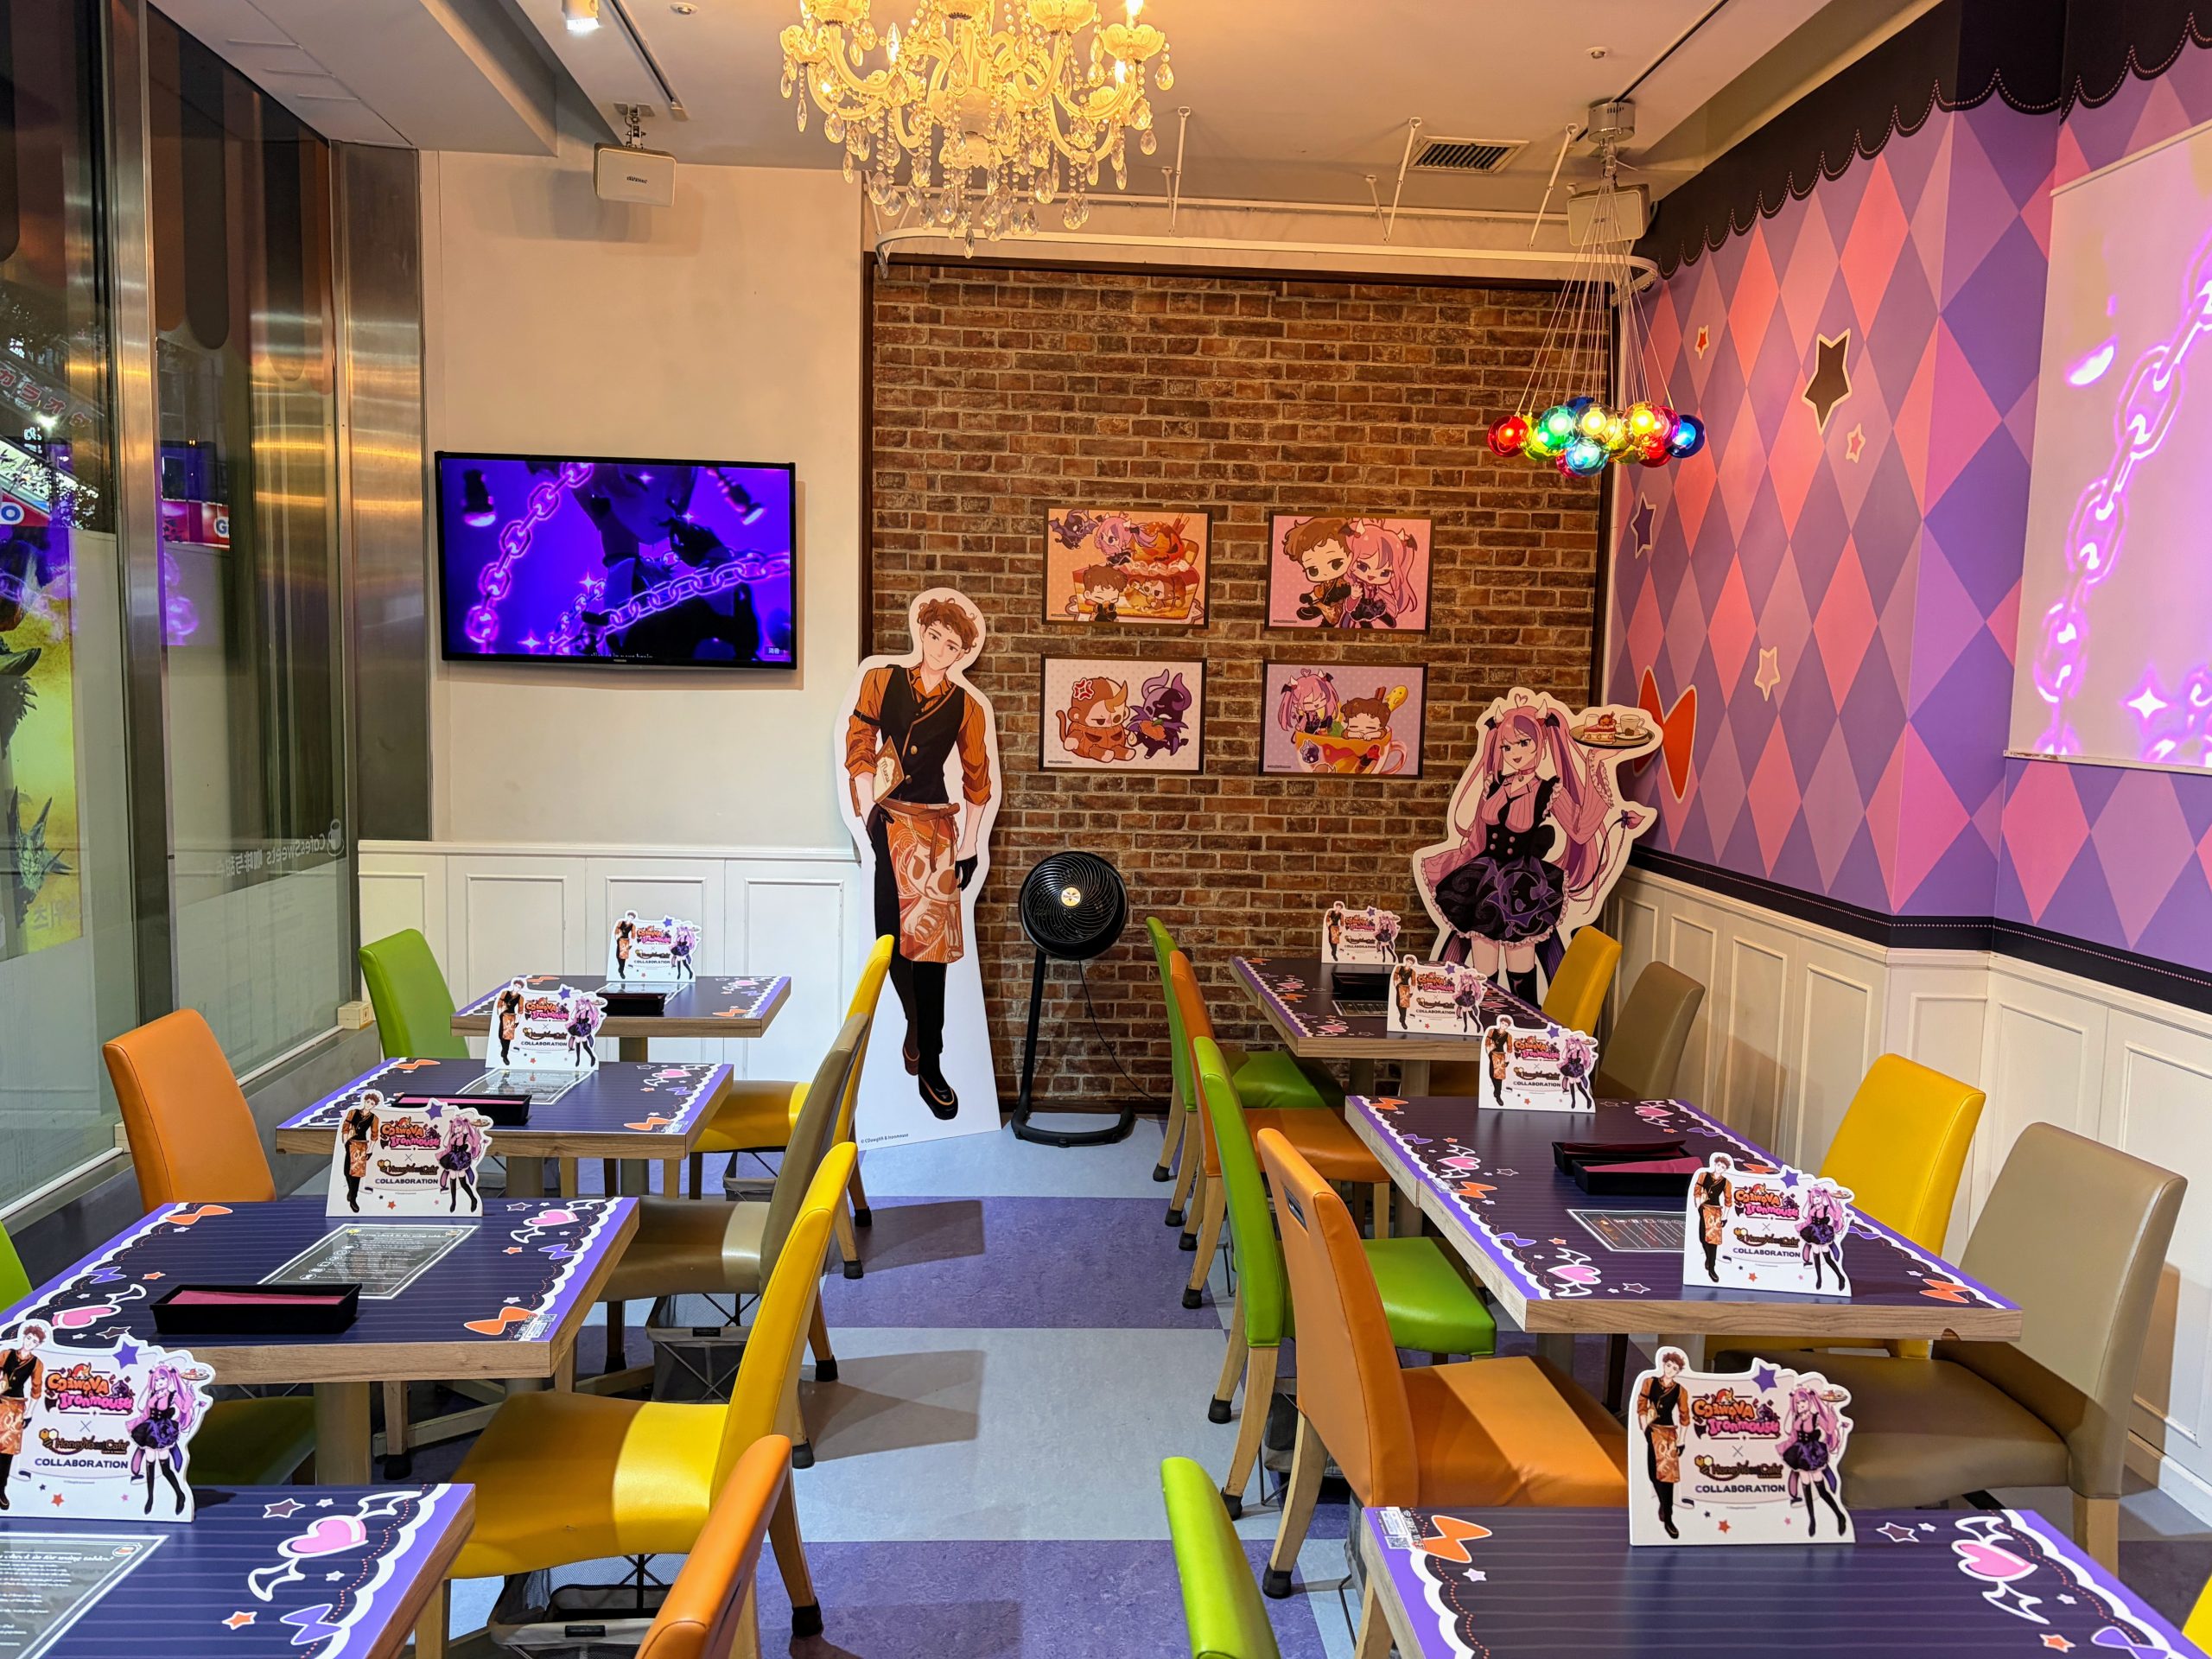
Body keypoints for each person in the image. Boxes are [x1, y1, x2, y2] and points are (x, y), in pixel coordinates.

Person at [845, 594, 995, 1120]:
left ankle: (931, 1061)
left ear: (962, 653)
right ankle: (916, 1023)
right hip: (888, 821)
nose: (939, 649)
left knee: (931, 954)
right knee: (891, 941)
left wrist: (970, 844)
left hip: (935, 831)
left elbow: (978, 780)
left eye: (951, 645)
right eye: (934, 637)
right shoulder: (881, 679)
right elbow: (859, 737)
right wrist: (867, 805)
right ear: (921, 632)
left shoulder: (967, 707)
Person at [1420, 700, 1640, 1005]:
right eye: (1507, 746)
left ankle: (1524, 1025)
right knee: (1483, 974)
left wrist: (1595, 764)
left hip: (1523, 887)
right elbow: (1479, 836)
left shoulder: (1548, 790)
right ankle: (1484, 1023)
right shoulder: (1495, 784)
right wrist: (1456, 863)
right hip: (1483, 881)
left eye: (1524, 743)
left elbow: (1581, 829)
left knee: (1520, 974)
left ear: (1540, 744)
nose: (1515, 753)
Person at [127, 1361, 201, 1516]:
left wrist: (190, 1389)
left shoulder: (173, 1395)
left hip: (162, 1431)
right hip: (149, 1429)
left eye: (163, 1379)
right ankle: (150, 1498)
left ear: (169, 1380)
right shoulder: (152, 1394)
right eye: (157, 1380)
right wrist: (135, 1424)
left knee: (165, 1467)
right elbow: (146, 1412)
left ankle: (180, 1494)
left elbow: (184, 1407)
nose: (159, 1382)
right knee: (149, 1465)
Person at [1783, 1382, 1851, 1537]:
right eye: (1798, 1402)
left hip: (1812, 1453)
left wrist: (1830, 1409)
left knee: (1821, 1488)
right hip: (1800, 1453)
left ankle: (1839, 1515)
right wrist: (1793, 1411)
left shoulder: (1815, 1417)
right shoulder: (1795, 1417)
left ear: (1809, 1401)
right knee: (1806, 1487)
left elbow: (1829, 1428)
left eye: (1803, 1401)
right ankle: (1812, 1520)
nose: (1801, 1405)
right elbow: (1788, 1430)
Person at [1636, 1347, 1689, 1538]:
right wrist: (1645, 1427)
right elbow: (1641, 1405)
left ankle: (1668, 1516)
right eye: (1669, 1365)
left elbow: (1684, 1416)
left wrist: (1681, 1441)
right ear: (1664, 1365)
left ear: (1678, 1371)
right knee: (1653, 1473)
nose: (1670, 1370)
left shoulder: (1680, 1390)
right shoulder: (1649, 1382)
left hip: (1668, 1433)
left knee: (1667, 1477)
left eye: (1675, 1368)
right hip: (1652, 1430)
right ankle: (1663, 1505)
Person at [0, 1323, 46, 1508]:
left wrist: (29, 1413)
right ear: (23, 1337)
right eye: (29, 1338)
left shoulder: (36, 1363)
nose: (30, 1343)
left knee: (7, 1451)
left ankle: (0, 1489)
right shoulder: (6, 1354)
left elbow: (36, 1390)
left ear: (38, 1345)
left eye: (34, 1341)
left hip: (15, 1408)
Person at [1692, 1155, 1735, 1283]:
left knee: (1713, 1241)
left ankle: (1712, 1268)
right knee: (1702, 1237)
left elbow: (1728, 1201)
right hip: (1704, 1208)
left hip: (1715, 1211)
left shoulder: (1726, 1182)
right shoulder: (1704, 1175)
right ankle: (1708, 1257)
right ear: (1715, 1164)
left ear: (1725, 1169)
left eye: (1723, 1167)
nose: (1720, 1168)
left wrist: (1725, 1217)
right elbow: (1697, 1190)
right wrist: (1698, 1205)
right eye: (1719, 1165)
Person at [340, 1096, 381, 1214]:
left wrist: (370, 1150)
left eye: (372, 1103)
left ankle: (353, 1199)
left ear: (374, 1106)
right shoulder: (353, 1112)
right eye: (368, 1102)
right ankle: (351, 1190)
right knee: (346, 1171)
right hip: (350, 1142)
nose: (369, 1104)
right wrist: (345, 1140)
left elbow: (374, 1135)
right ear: (364, 1101)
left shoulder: (374, 1118)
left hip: (361, 1145)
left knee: (356, 1173)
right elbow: (346, 1125)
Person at [438, 1114, 484, 1214]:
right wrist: (450, 1130)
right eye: (455, 1127)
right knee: (452, 1181)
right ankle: (454, 1202)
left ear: (463, 1126)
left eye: (459, 1126)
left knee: (463, 1182)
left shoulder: (466, 1136)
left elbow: (474, 1143)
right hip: (452, 1159)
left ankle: (473, 1199)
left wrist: (476, 1131)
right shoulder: (452, 1136)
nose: (457, 1128)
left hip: (461, 1159)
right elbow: (445, 1144)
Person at [1484, 1017, 1512, 1107]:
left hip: (1500, 1056)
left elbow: (1509, 1049)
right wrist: (1489, 1053)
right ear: (1500, 1022)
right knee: (1491, 1074)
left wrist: (1507, 1060)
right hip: (1492, 1054)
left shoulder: (1508, 1035)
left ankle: (1498, 1095)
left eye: (1506, 1025)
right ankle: (1496, 1091)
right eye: (1503, 1023)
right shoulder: (1492, 1031)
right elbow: (1487, 1042)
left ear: (1507, 1027)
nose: (1504, 1026)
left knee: (1499, 1077)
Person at [493, 984, 523, 1067]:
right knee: (501, 1035)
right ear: (513, 985)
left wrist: (517, 1020)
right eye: (516, 986)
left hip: (511, 1016)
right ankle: (504, 1051)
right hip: (503, 1014)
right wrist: (500, 1013)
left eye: (519, 987)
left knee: (508, 1036)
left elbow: (520, 1010)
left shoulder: (520, 997)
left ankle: (505, 1054)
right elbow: (499, 1003)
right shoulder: (505, 993)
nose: (517, 988)